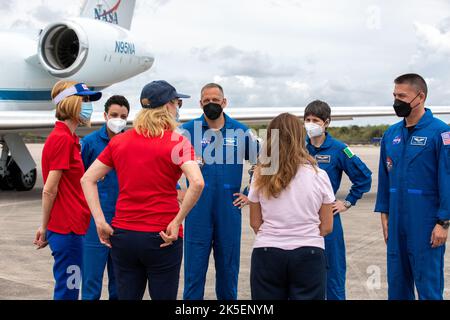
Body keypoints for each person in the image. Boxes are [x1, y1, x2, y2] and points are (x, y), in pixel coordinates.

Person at [80, 80, 204, 300]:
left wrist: (99, 221)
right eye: (177, 103)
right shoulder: (177, 142)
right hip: (162, 236)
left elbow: (87, 179)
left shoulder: (119, 142)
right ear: (167, 107)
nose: (177, 108)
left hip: (124, 235)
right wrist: (177, 221)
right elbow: (197, 182)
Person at [180, 83, 259, 300]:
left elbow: (263, 162)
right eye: (206, 101)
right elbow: (164, 162)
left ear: (224, 102)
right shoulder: (186, 131)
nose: (211, 104)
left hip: (228, 210)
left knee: (228, 271)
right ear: (200, 103)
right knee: (194, 273)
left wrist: (250, 192)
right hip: (197, 210)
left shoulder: (242, 132)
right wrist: (177, 189)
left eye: (215, 100)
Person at [375, 73, 450, 300]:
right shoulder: (391, 134)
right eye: (395, 95)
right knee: (397, 284)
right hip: (396, 221)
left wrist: (443, 222)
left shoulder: (441, 132)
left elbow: (447, 178)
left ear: (420, 97)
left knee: (428, 286)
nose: (397, 101)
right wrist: (385, 213)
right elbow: (384, 177)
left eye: (402, 96)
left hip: (426, 222)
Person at [248, 113, 335, 300]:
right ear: (300, 137)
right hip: (309, 252)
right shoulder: (319, 175)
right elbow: (327, 226)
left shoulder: (260, 175)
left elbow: (255, 222)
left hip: (267, 252)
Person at [34, 81, 102, 300]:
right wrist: (44, 227)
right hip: (67, 229)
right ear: (71, 103)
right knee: (69, 289)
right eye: (84, 100)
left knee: (70, 286)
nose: (88, 105)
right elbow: (49, 189)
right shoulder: (62, 139)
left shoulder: (69, 138)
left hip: (71, 227)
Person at [304, 100, 372, 300]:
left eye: (315, 120)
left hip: (327, 216)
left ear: (326, 122)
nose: (310, 124)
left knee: (332, 270)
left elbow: (364, 177)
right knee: (303, 273)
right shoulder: (299, 148)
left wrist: (348, 202)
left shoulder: (339, 149)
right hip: (301, 218)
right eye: (307, 119)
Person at [80, 95, 130, 300]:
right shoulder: (90, 143)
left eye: (123, 116)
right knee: (91, 280)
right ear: (105, 115)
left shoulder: (130, 143)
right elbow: (80, 179)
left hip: (124, 219)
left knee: (120, 282)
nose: (118, 119)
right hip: (95, 221)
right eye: (114, 115)